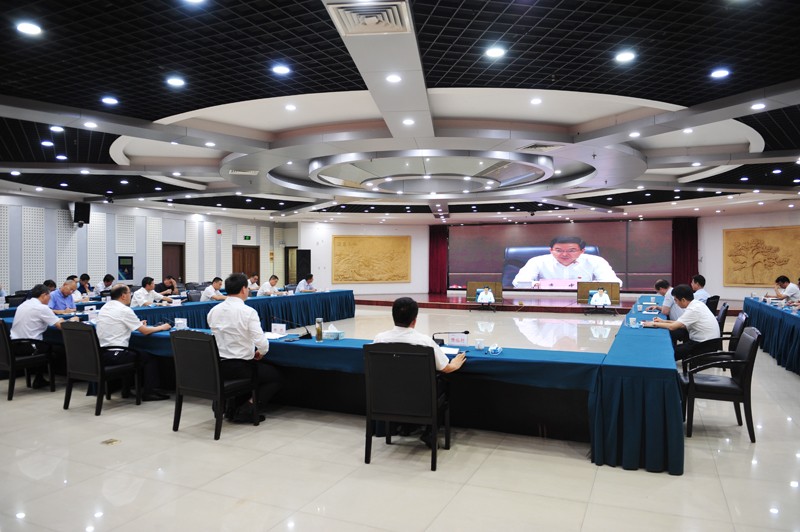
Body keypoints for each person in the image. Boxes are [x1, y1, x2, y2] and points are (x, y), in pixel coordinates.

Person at [207, 273, 283, 423]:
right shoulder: (248, 312)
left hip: (218, 367)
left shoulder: (213, 311)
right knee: (276, 378)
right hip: (241, 367)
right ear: (243, 289)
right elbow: (262, 344)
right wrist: (261, 352)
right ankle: (248, 409)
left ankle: (227, 405)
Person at [94, 284, 171, 401]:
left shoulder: (105, 307)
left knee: (135, 352)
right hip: (116, 354)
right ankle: (149, 392)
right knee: (149, 357)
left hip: (102, 353)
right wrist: (162, 327)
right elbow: (145, 331)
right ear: (123, 296)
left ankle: (126, 390)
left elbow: (118, 324)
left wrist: (138, 324)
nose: (131, 295)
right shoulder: (124, 310)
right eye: (129, 293)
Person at [373, 297, 466, 374]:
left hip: (385, 390)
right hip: (419, 390)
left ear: (393, 316)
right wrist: (454, 364)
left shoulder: (380, 339)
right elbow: (445, 368)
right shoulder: (425, 342)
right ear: (414, 320)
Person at [10, 284, 79, 388]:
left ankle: (40, 377)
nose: (49, 299)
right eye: (49, 296)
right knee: (57, 349)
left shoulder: (23, 304)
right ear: (44, 295)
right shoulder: (41, 308)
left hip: (14, 344)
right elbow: (61, 326)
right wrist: (72, 320)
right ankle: (49, 378)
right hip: (29, 346)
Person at [642, 284, 719, 360]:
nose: (675, 303)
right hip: (709, 341)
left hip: (704, 345)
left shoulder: (693, 310)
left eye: (676, 300)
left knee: (668, 354)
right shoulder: (697, 303)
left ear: (683, 300)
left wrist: (653, 323)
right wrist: (663, 321)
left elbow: (672, 327)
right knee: (673, 342)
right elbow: (680, 324)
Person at [512, 236, 622, 288]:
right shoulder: (537, 261)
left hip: (584, 302)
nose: (564, 254)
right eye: (558, 250)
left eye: (571, 250)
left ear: (582, 251)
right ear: (551, 250)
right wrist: (538, 285)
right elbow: (518, 282)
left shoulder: (596, 261)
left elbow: (615, 283)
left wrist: (586, 287)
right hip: (546, 301)